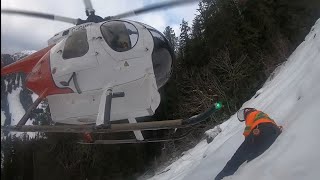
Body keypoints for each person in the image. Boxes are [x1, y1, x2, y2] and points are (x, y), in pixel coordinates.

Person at [215, 108, 282, 180]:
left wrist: (246, 142)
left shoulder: (250, 115)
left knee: (236, 159)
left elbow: (248, 130)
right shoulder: (262, 114)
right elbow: (272, 123)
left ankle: (220, 178)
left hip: (260, 131)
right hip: (274, 132)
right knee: (252, 161)